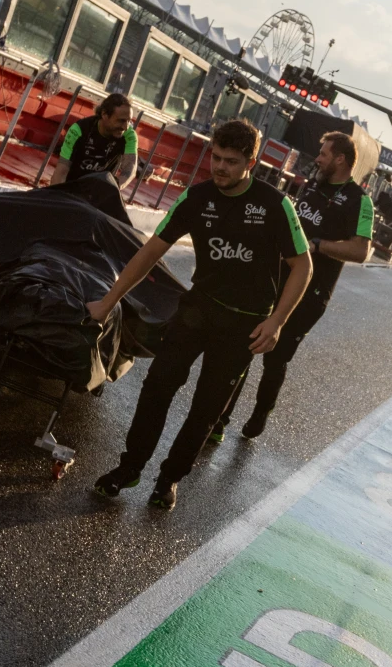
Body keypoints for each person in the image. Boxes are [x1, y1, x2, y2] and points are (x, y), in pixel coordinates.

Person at [87, 119, 311, 509]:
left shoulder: (276, 204)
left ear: (251, 162)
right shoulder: (196, 197)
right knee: (157, 388)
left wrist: (276, 322)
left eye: (231, 161)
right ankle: (130, 467)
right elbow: (150, 252)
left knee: (206, 409)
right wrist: (108, 302)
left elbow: (303, 266)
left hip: (245, 324)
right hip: (198, 310)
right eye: (216, 157)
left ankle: (170, 479)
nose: (220, 167)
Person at [211, 131, 374, 441]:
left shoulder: (360, 201)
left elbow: (361, 251)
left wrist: (317, 244)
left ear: (340, 159)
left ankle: (261, 410)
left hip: (312, 291)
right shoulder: (313, 185)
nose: (318, 158)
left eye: (324, 154)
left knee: (276, 357)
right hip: (275, 278)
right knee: (248, 343)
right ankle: (221, 418)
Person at [49, 92, 139, 186]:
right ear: (104, 114)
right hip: (71, 187)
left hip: (99, 191)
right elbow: (61, 171)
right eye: (121, 121)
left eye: (129, 121)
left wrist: (113, 189)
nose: (125, 127)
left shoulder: (129, 135)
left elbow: (130, 168)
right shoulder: (79, 130)